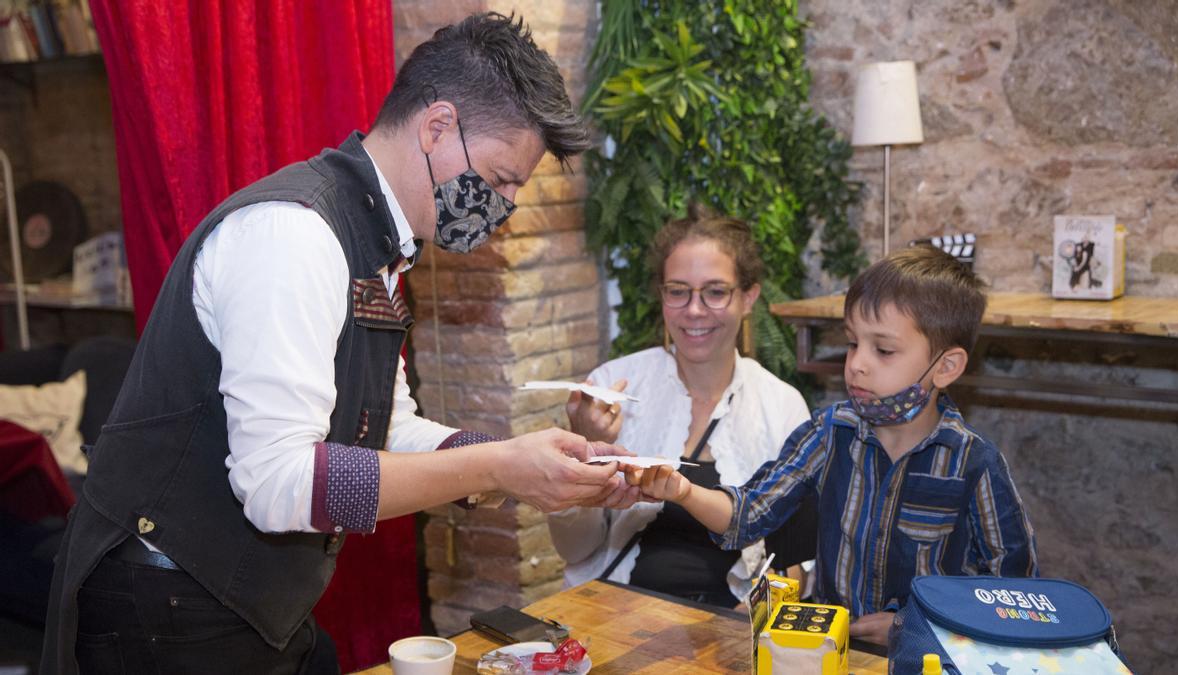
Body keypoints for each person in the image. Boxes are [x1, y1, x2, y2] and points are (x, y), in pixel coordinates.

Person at [43, 13, 629, 674]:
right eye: (499, 179)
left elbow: (387, 429)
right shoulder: (294, 236)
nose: (503, 207)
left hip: (253, 602)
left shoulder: (377, 250)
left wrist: (519, 458)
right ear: (436, 128)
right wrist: (499, 468)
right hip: (165, 605)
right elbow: (277, 482)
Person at [625, 245, 1038, 645]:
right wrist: (683, 491)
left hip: (927, 657)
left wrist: (913, 625)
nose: (857, 363)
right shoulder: (829, 433)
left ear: (946, 366)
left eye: (884, 350)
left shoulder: (974, 463)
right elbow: (749, 513)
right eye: (853, 342)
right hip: (829, 653)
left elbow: (1013, 596)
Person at [548, 204, 814, 608]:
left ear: (748, 298)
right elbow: (575, 550)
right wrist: (585, 455)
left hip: (731, 624)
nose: (693, 310)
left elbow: (794, 561)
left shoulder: (780, 405)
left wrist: (756, 611)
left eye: (715, 292)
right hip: (620, 612)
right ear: (662, 296)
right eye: (678, 291)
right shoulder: (612, 389)